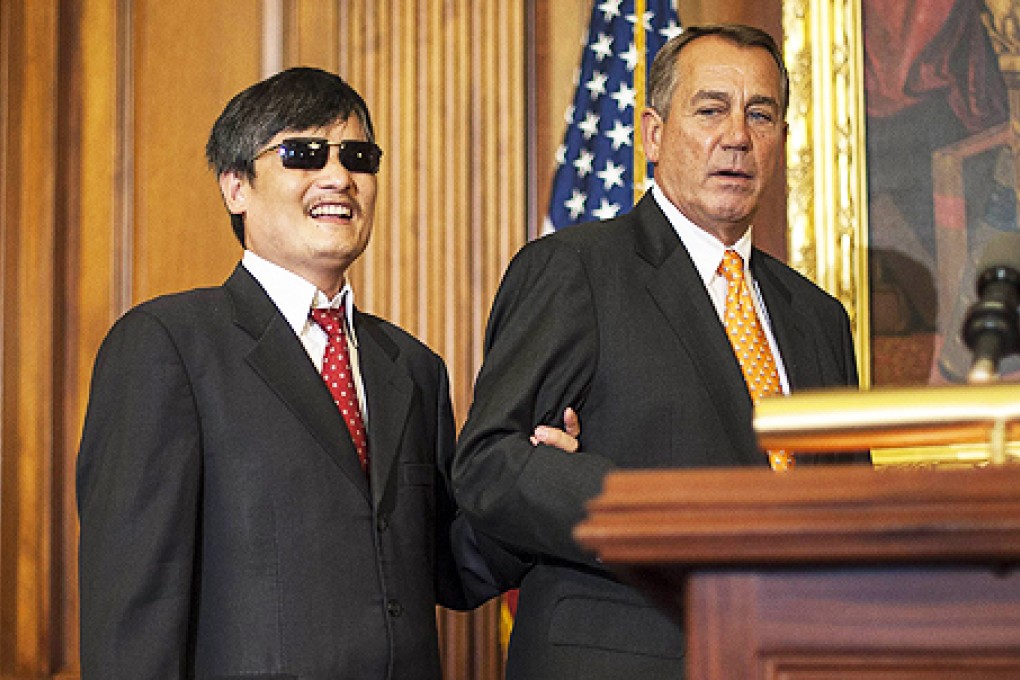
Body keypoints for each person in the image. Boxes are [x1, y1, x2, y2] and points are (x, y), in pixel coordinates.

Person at [76, 66, 573, 680]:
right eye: (303, 154)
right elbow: (134, 608)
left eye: (359, 157)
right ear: (236, 187)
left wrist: (535, 483)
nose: (339, 177)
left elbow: (449, 564)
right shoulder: (167, 345)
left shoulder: (413, 367)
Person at [452, 25, 867, 680]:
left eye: (760, 114)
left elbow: (849, 508)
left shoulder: (818, 318)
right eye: (710, 110)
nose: (736, 135)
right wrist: (648, 506)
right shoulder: (576, 269)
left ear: (781, 138)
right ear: (651, 133)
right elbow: (488, 464)